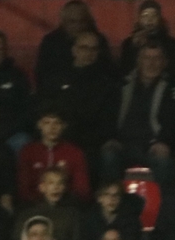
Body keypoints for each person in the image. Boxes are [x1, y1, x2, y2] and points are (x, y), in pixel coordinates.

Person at [100, 44, 175, 184]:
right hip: (122, 144)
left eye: (157, 58)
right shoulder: (122, 85)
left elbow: (173, 120)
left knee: (163, 162)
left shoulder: (172, 88)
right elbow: (108, 114)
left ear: (164, 62)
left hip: (153, 146)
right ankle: (110, 197)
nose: (151, 63)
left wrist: (163, 142)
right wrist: (110, 137)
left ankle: (165, 199)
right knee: (108, 155)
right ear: (138, 61)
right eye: (146, 58)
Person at [38, 30, 120, 163]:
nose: (89, 53)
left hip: (91, 141)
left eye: (93, 49)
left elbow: (107, 120)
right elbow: (47, 107)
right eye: (84, 48)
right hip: (59, 135)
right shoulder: (57, 78)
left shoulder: (106, 83)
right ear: (74, 50)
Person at [35, 0, 111, 95]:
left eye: (82, 21)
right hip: (59, 95)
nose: (78, 26)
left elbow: (108, 71)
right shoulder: (51, 42)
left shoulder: (99, 40)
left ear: (88, 21)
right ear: (63, 22)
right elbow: (43, 76)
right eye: (72, 21)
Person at [18, 108, 91, 205]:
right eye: (47, 123)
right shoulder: (28, 151)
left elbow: (82, 189)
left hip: (66, 205)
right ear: (39, 125)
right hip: (34, 205)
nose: (52, 127)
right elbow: (23, 187)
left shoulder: (74, 153)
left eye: (57, 123)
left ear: (64, 126)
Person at [13, 167, 81, 240]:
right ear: (42, 187)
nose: (56, 187)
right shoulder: (28, 213)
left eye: (60, 183)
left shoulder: (72, 213)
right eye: (51, 183)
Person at [117, 0, 175, 82]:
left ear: (159, 19)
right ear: (139, 19)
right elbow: (124, 70)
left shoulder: (171, 43)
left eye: (153, 16)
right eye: (145, 16)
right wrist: (134, 47)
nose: (149, 20)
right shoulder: (129, 43)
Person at [78, 180, 145, 240]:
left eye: (116, 195)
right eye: (107, 195)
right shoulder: (89, 220)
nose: (112, 199)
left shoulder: (131, 221)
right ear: (99, 198)